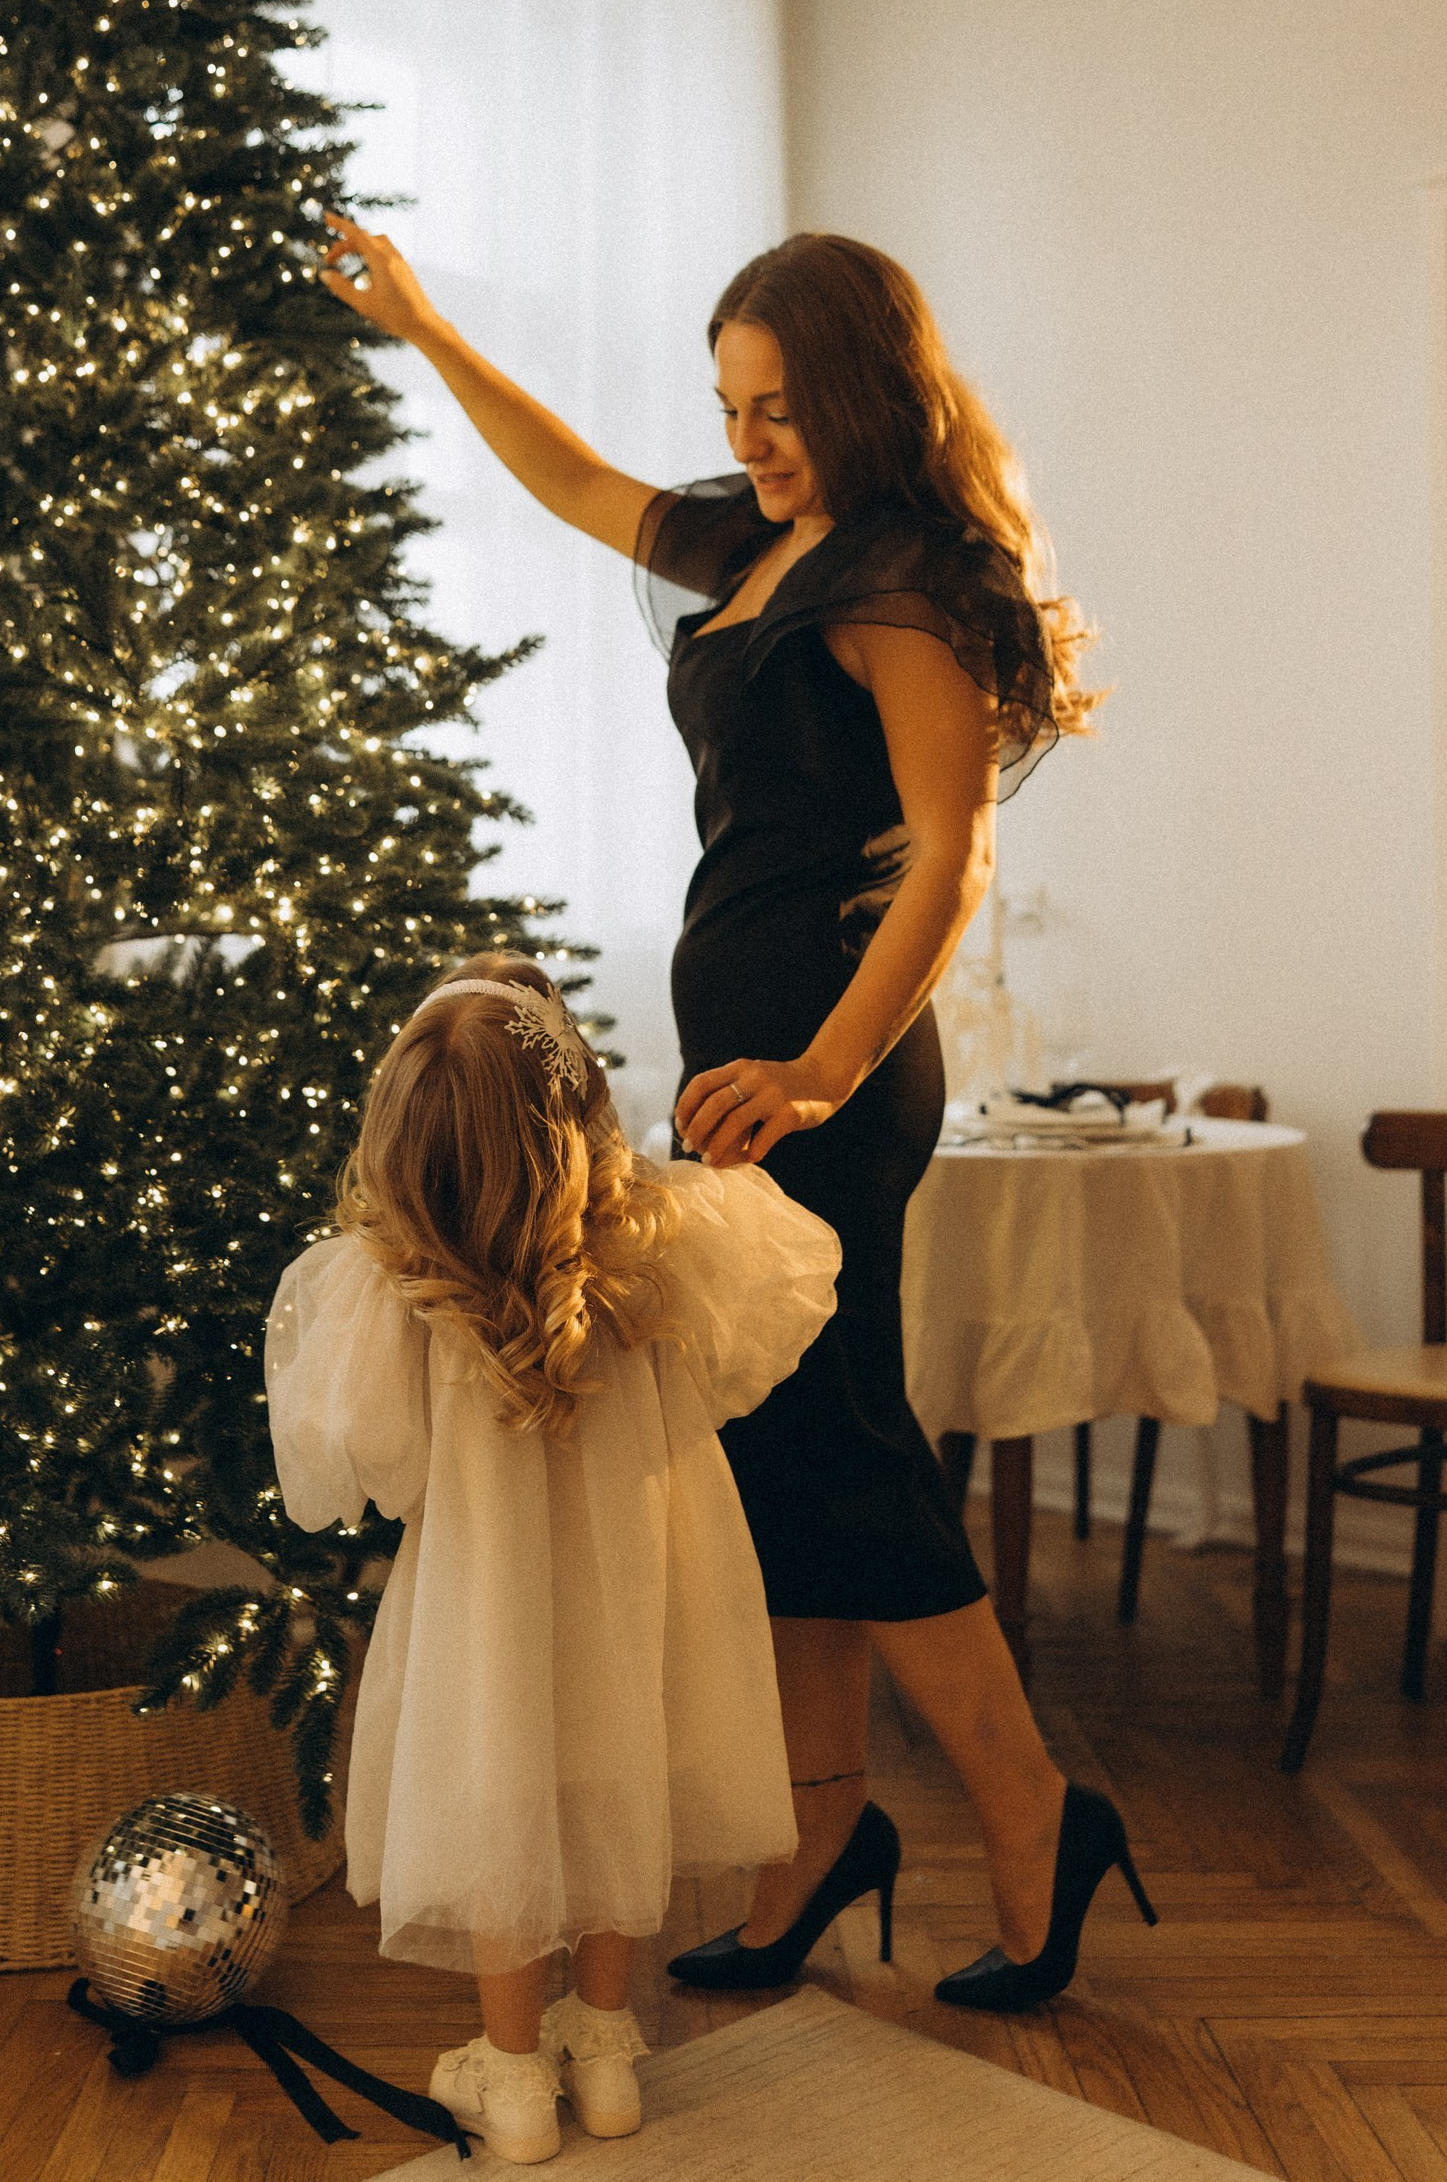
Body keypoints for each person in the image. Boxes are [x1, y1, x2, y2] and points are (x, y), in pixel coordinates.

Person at [316, 221, 1154, 2013]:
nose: (750, 440)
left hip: (825, 1082)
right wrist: (429, 325)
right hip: (749, 1080)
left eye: (775, 408)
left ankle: (1031, 1817)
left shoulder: (904, 582)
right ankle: (814, 1841)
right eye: (730, 406)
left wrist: (831, 1067)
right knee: (782, 1461)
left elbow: (950, 852)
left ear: (855, 388)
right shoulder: (761, 549)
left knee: (840, 1445)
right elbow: (577, 482)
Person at [264, 952, 843, 2163]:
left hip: (489, 1607)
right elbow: (776, 1308)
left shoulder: (388, 1287)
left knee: (506, 1804)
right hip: (647, 1584)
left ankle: (516, 2078)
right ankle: (608, 2045)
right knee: (616, 1777)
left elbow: (359, 1469)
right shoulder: (669, 1234)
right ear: (580, 1112)